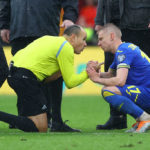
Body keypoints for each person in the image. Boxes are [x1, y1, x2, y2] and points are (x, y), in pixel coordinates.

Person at [0, 0, 78, 131]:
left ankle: (56, 119)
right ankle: (24, 116)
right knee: (22, 74)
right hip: (20, 29)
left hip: (44, 27)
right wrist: (4, 24)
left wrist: (69, 16)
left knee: (53, 72)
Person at [94, 0, 150, 130]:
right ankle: (134, 119)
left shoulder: (123, 51)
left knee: (108, 90)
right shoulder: (123, 49)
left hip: (138, 23)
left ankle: (144, 118)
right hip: (146, 91)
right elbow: (110, 74)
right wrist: (94, 73)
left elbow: (119, 81)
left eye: (101, 39)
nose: (98, 43)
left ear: (112, 36)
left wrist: (96, 79)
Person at [94, 0, 127, 130]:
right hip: (111, 25)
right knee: (111, 68)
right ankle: (117, 117)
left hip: (137, 25)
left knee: (139, 71)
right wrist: (98, 21)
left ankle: (145, 115)